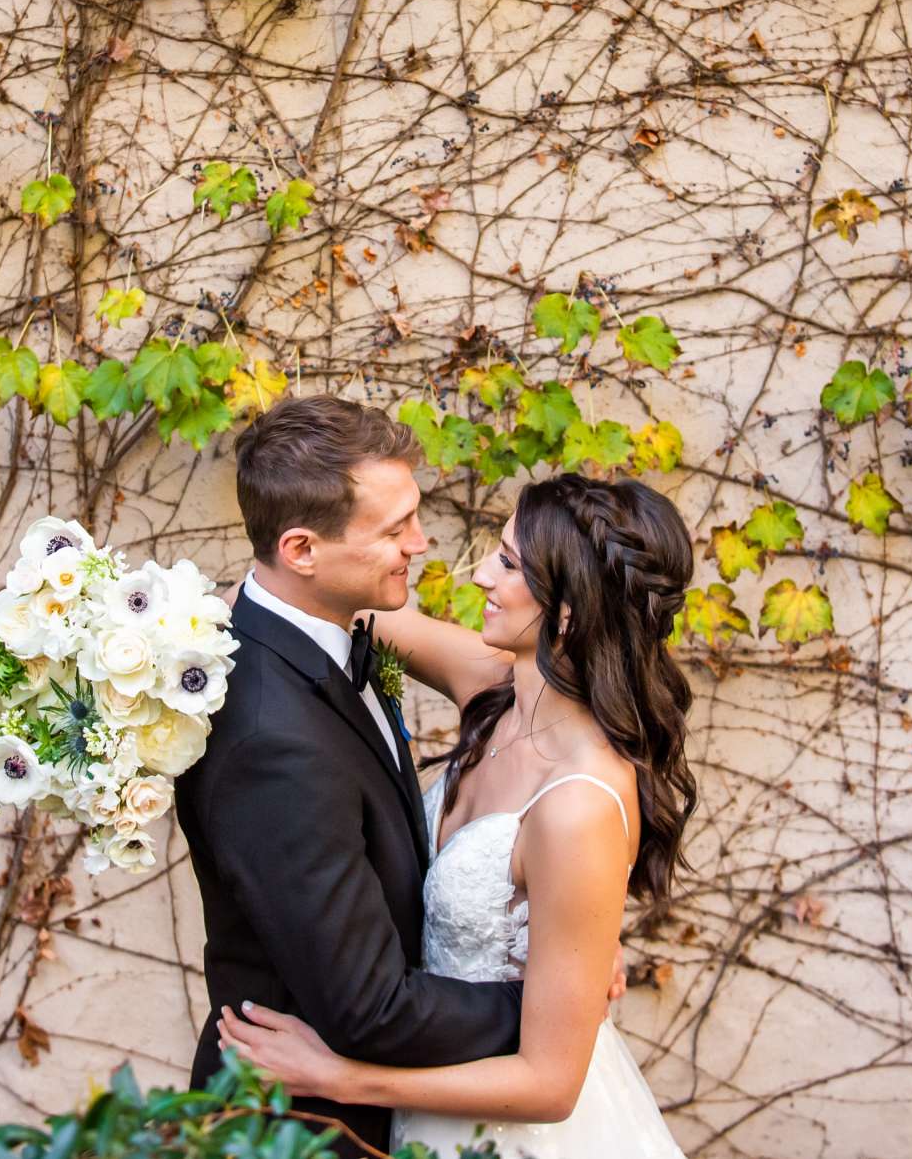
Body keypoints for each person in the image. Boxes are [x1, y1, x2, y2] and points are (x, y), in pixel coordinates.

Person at [218, 471, 697, 1159]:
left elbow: (551, 1084)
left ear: (567, 610)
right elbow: (299, 596)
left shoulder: (577, 805)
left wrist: (343, 1078)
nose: (477, 575)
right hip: (423, 1083)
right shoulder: (493, 684)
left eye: (506, 562)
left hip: (504, 1129)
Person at [175, 396, 524, 1157]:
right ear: (301, 550)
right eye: (394, 529)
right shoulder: (274, 743)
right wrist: (544, 1001)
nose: (421, 542)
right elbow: (371, 1011)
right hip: (305, 1128)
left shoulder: (336, 635)